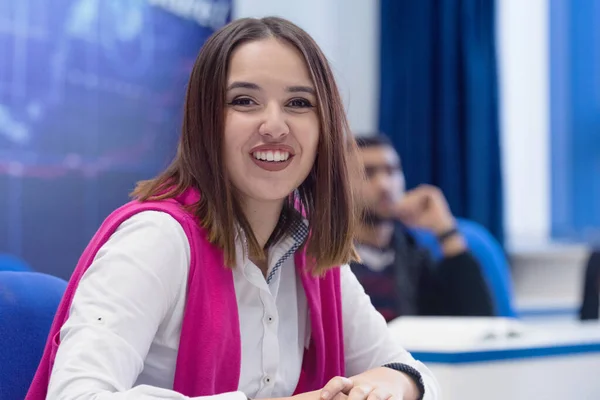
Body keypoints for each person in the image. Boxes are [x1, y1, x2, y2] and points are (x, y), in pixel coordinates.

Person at [26, 18, 439, 400]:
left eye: (298, 103)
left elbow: (415, 373)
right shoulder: (156, 240)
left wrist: (393, 382)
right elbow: (75, 395)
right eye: (244, 101)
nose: (275, 125)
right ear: (205, 122)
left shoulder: (312, 251)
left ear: (324, 128)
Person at [351, 135, 494, 321]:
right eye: (367, 173)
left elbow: (479, 322)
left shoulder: (415, 258)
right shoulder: (326, 261)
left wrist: (446, 230)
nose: (384, 185)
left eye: (392, 171)